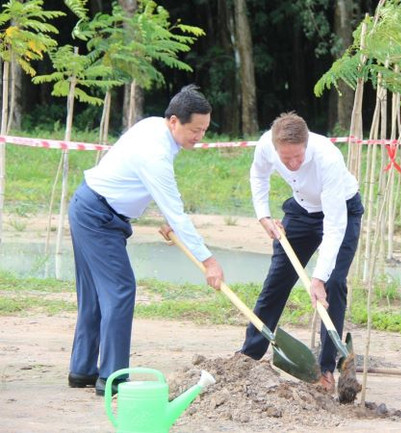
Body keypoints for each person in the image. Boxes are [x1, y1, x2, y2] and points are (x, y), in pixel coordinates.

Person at [67, 85, 225, 396]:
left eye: (205, 130)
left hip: (89, 206)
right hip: (97, 216)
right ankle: (111, 378)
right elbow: (177, 211)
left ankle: (82, 370)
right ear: (175, 121)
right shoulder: (155, 153)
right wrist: (209, 261)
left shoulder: (156, 127)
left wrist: (170, 218)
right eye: (195, 130)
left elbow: (146, 187)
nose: (200, 137)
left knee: (98, 295)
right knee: (120, 290)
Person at [239, 112, 363, 393]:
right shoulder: (265, 146)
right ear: (275, 147)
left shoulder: (327, 159)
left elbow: (334, 225)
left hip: (341, 210)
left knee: (332, 284)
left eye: (298, 158)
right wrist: (264, 216)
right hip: (302, 210)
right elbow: (258, 176)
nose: (293, 164)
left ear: (307, 145)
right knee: (277, 280)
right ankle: (249, 354)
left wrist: (318, 278)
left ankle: (327, 369)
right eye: (286, 159)